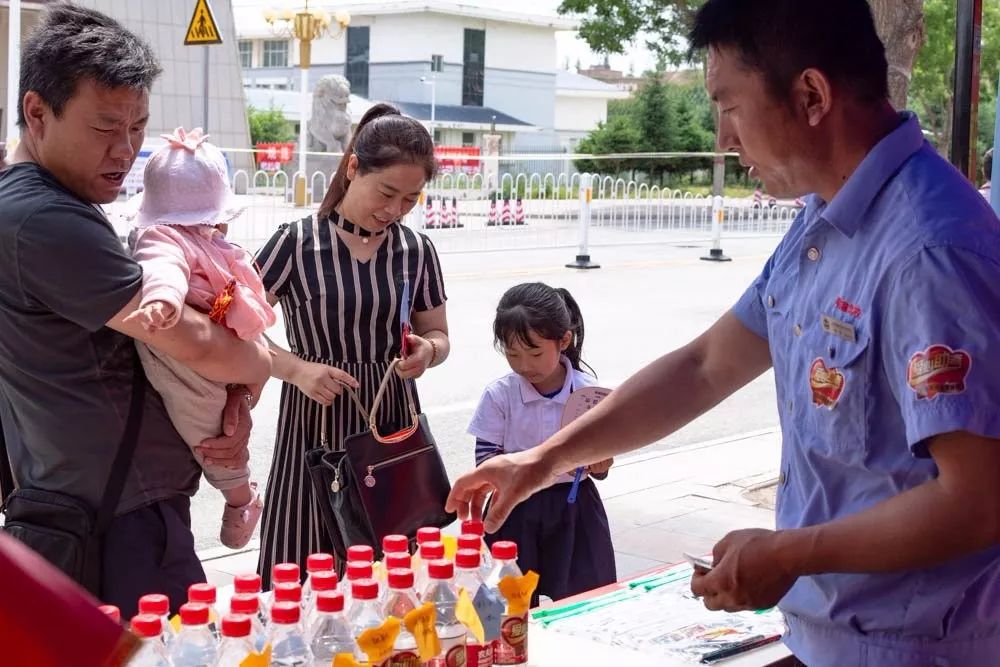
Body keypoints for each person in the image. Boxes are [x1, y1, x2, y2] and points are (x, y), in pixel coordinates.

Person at [447, 1, 1000, 665]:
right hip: (828, 636)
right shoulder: (823, 222)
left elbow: (977, 500)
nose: (723, 138)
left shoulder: (929, 250)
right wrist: (541, 462)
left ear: (812, 95)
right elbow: (706, 365)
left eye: (730, 106)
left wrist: (796, 551)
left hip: (914, 648)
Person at [0, 5, 271, 617]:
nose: (126, 151)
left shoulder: (46, 201)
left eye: (138, 126)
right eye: (104, 128)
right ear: (37, 112)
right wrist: (261, 367)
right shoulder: (43, 219)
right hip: (115, 523)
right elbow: (187, 337)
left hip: (105, 507)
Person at [255, 103, 449, 586]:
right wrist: (297, 369)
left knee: (391, 568)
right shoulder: (296, 243)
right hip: (315, 423)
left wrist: (427, 352)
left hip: (392, 427)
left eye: (410, 200)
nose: (394, 210)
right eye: (386, 193)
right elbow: (235, 326)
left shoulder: (416, 250)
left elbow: (438, 335)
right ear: (353, 167)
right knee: (301, 561)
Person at [126, 127, 273, 549]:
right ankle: (240, 498)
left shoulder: (212, 242)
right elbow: (162, 271)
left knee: (210, 432)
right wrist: (164, 303)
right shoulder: (164, 238)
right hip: (182, 340)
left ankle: (240, 497)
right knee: (212, 429)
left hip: (204, 348)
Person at [470, 283, 615, 605]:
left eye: (535, 352)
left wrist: (600, 464)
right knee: (507, 607)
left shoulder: (588, 394)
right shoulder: (500, 395)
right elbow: (485, 460)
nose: (524, 365)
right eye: (512, 354)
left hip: (575, 509)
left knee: (585, 601)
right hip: (512, 508)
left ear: (564, 340)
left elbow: (600, 462)